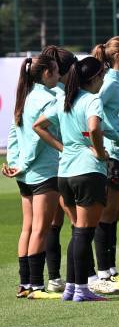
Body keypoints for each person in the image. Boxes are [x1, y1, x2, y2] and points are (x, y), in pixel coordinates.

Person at [33, 57, 109, 302]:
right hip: (87, 171)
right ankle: (81, 289)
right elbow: (95, 127)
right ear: (94, 78)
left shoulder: (66, 99)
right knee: (84, 233)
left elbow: (39, 125)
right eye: (102, 76)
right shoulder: (91, 99)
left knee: (78, 231)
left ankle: (71, 289)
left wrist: (63, 148)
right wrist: (98, 151)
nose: (103, 80)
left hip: (65, 173)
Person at [3, 53, 61, 299]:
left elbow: (14, 133)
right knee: (41, 228)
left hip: (25, 175)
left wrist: (14, 163)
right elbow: (40, 138)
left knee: (28, 228)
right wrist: (24, 164)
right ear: (46, 73)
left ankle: (25, 284)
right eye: (57, 72)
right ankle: (37, 286)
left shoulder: (25, 97)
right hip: (43, 171)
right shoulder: (47, 99)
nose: (59, 76)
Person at [91, 36, 119, 290]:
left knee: (114, 215)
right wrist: (117, 135)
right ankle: (103, 272)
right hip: (112, 155)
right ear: (117, 56)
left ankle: (110, 269)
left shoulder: (117, 81)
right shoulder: (108, 82)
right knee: (106, 215)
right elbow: (95, 111)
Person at [44, 46, 78, 294]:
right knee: (78, 224)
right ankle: (81, 277)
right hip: (66, 166)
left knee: (54, 224)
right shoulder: (63, 94)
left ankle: (54, 277)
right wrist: (63, 147)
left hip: (51, 166)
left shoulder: (48, 91)